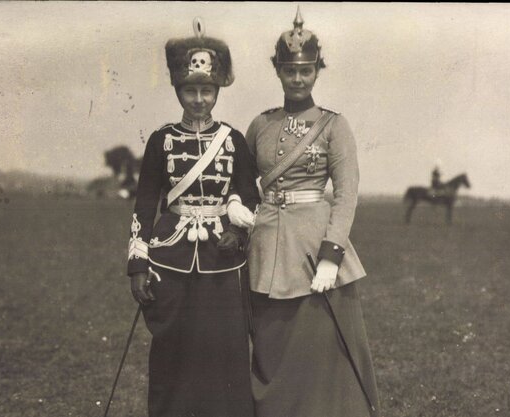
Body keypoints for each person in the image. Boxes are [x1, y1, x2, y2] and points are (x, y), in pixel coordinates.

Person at [228, 8, 380, 417]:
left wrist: (332, 256)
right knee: (271, 352)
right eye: (290, 70)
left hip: (316, 250)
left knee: (321, 356)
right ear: (278, 71)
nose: (298, 78)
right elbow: (242, 182)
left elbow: (346, 195)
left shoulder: (334, 125)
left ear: (317, 71)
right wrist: (236, 203)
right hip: (266, 251)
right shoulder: (260, 124)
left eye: (307, 70)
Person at [126, 18, 258, 417]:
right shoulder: (161, 139)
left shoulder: (233, 139)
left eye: (206, 90)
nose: (198, 99)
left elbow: (250, 193)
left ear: (217, 90)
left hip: (222, 258)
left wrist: (236, 228)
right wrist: (137, 264)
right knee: (173, 347)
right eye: (190, 90)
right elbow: (145, 203)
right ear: (178, 90)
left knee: (224, 347)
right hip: (171, 258)